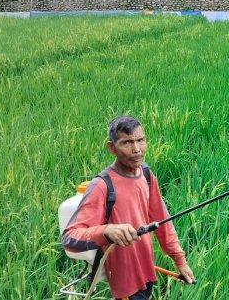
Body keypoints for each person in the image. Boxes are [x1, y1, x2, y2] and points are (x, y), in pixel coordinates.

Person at [62, 116, 195, 299]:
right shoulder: (102, 186)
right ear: (112, 148)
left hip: (146, 269)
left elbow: (163, 222)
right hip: (125, 281)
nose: (137, 150)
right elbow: (69, 237)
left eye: (140, 140)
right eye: (127, 142)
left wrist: (180, 261)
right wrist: (107, 231)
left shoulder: (146, 174)